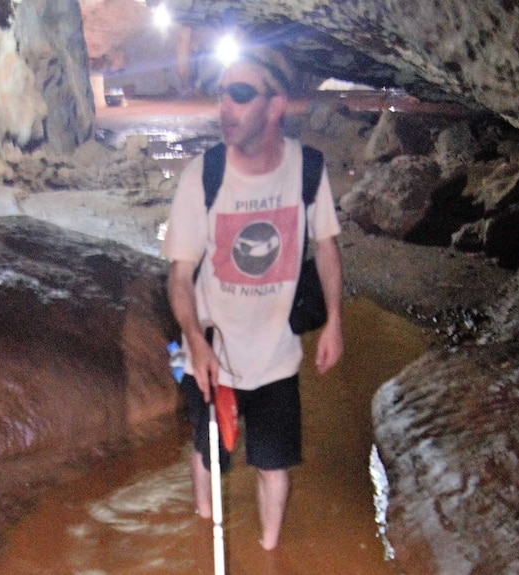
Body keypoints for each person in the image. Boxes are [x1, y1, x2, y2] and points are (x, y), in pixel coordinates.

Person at [162, 44, 344, 551]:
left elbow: (327, 247)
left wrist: (335, 322)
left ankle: (269, 553)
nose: (226, 107)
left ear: (275, 104)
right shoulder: (205, 174)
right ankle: (206, 530)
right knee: (208, 452)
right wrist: (194, 340)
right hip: (213, 350)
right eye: (222, 94)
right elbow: (180, 276)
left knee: (274, 464)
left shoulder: (307, 169)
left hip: (277, 355)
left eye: (240, 95)